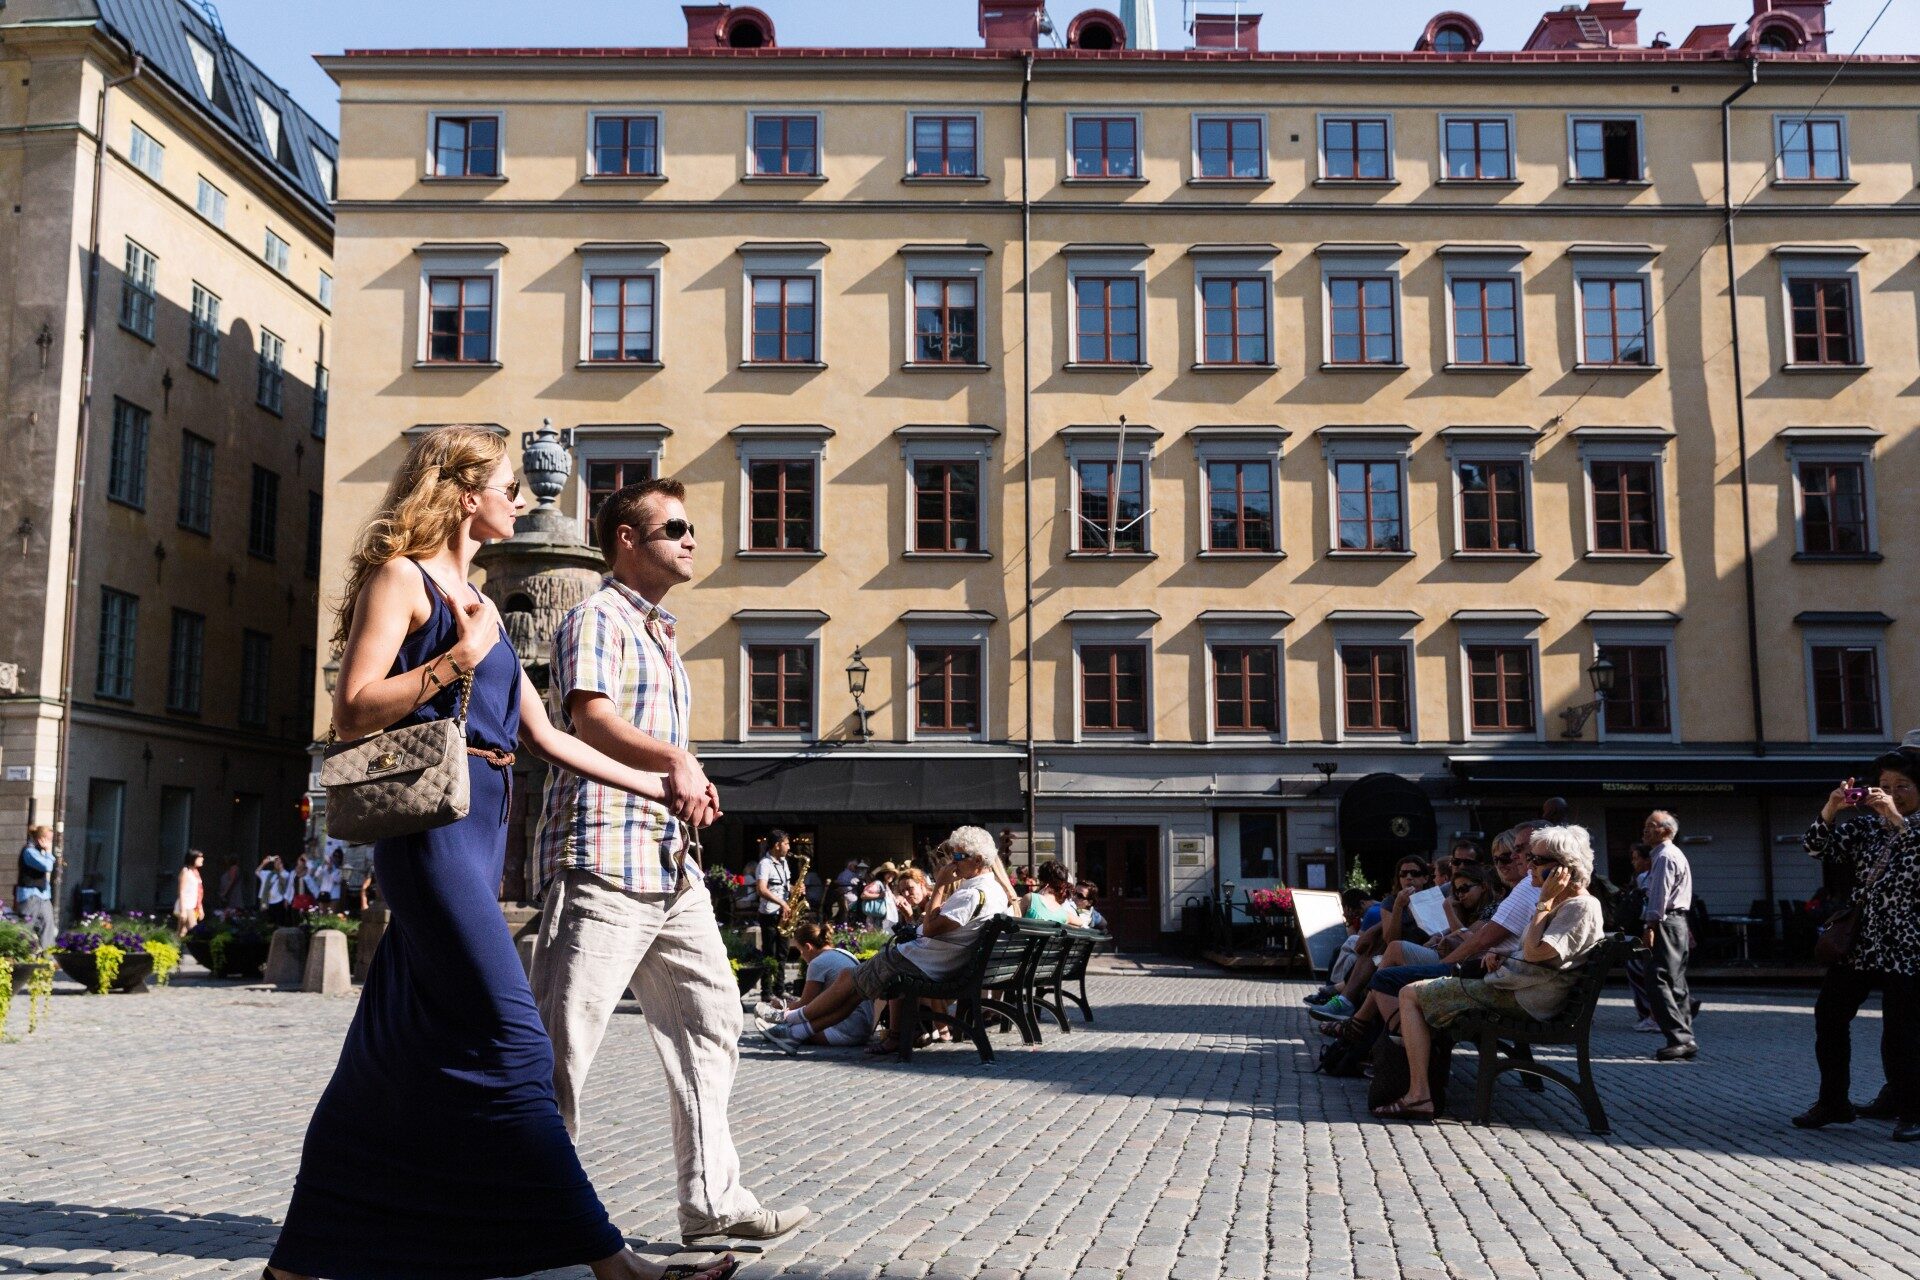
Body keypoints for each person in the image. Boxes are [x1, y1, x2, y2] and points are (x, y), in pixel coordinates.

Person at [265, 428, 736, 1280]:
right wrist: (457, 660)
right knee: (518, 1043)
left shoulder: (481, 598)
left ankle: (294, 1266)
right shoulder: (403, 580)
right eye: (508, 487)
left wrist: (660, 781)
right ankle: (610, 1264)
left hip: (478, 836)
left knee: (381, 1066)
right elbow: (354, 711)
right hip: (430, 837)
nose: (519, 502)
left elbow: (550, 735)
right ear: (460, 491)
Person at [528, 476, 804, 1250]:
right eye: (673, 527)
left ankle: (713, 1204)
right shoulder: (596, 616)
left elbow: (647, 746)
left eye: (690, 526)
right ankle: (525, 1209)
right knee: (562, 1046)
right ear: (626, 539)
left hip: (668, 866)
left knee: (713, 1021)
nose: (691, 538)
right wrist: (677, 760)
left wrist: (686, 779)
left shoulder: (659, 632)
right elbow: (591, 718)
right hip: (602, 857)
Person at [1375, 824, 1606, 1121]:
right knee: (1414, 993)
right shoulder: (1567, 904)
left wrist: (1544, 903)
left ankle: (1419, 1093)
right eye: (1530, 858)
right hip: (1519, 989)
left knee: (1409, 994)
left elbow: (1537, 953)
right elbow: (1540, 953)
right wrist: (1506, 954)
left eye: (1538, 860)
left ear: (1563, 869)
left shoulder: (1579, 907)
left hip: (1524, 999)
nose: (1529, 866)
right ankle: (1415, 1055)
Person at [758, 826, 1016, 1055]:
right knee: (855, 989)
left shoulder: (973, 893)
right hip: (944, 963)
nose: (954, 862)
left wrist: (938, 886)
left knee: (849, 978)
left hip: (926, 964)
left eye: (960, 857)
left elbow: (928, 929)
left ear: (980, 860)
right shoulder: (993, 891)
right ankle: (796, 1032)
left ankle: (788, 1018)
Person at [1795, 749, 1920, 1142]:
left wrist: (1898, 821)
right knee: (1829, 1015)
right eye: (1884, 787)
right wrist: (1832, 808)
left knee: (1902, 1033)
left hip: (1908, 944)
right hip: (1860, 942)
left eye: (1902, 786)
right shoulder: (1867, 828)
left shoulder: (1911, 828)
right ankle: (1833, 1102)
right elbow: (1815, 847)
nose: (1892, 794)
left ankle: (1911, 1111)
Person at [753, 923, 874, 1049]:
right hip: (863, 1028)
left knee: (782, 1027)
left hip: (845, 1032)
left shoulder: (818, 962)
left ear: (808, 947)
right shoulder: (844, 953)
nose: (801, 955)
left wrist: (782, 1007)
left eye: (800, 950)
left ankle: (785, 1025)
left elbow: (806, 1004)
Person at [1641, 810, 1697, 1062]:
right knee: (1675, 982)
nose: (1644, 830)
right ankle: (1685, 1037)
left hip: (1665, 921)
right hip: (1676, 922)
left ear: (1665, 830)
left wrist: (1650, 925)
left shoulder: (1664, 856)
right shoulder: (1672, 854)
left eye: (1650, 826)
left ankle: (1679, 1038)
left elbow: (1659, 896)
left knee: (1658, 979)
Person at [1617, 844, 1658, 1031]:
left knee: (1643, 971)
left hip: (1646, 929)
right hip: (1644, 928)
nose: (1634, 863)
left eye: (1636, 858)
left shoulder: (1648, 878)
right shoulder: (1642, 878)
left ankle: (1651, 1014)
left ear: (1647, 859)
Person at [750, 830, 795, 998]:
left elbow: (782, 886)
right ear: (777, 845)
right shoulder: (764, 864)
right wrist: (782, 902)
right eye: (786, 843)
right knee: (770, 952)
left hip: (784, 913)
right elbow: (761, 889)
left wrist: (794, 889)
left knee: (783, 952)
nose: (789, 847)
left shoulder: (784, 862)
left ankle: (780, 989)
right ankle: (766, 991)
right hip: (769, 913)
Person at [15, 825, 57, 951]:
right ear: (41, 839)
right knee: (26, 930)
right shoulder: (29, 851)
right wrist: (49, 852)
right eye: (49, 839)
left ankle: (47, 959)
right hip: (30, 896)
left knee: (48, 927)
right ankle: (21, 957)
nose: (51, 843)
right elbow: (47, 866)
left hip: (43, 897)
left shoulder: (39, 851)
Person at [1019, 860, 1085, 926]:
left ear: (1042, 881)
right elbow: (1081, 923)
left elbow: (1015, 923)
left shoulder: (1030, 898)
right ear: (1063, 886)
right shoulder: (1065, 915)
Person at [173, 850, 206, 935]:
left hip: (193, 905)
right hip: (186, 905)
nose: (202, 859)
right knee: (193, 928)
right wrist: (183, 910)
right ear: (193, 858)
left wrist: (200, 908)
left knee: (182, 931)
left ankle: (176, 946)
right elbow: (181, 891)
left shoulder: (195, 872)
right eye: (200, 857)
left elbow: (198, 892)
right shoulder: (185, 871)